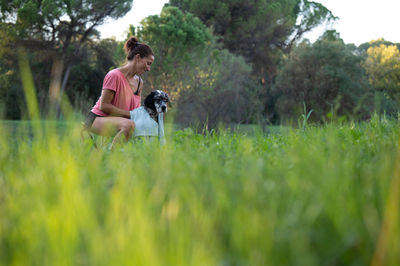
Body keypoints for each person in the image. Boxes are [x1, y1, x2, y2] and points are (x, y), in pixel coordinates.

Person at [84, 36, 154, 149]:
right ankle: (111, 158)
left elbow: (135, 111)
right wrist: (131, 115)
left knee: (145, 129)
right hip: (97, 119)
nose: (148, 68)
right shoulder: (114, 75)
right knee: (129, 125)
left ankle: (115, 156)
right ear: (138, 57)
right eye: (148, 63)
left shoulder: (140, 82)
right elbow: (104, 106)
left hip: (119, 121)